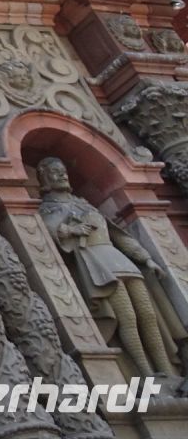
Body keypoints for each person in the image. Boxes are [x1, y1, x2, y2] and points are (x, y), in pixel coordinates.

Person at [38, 155, 186, 378]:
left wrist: (147, 259)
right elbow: (47, 230)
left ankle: (167, 369)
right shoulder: (47, 208)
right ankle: (146, 373)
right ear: (44, 179)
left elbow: (120, 237)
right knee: (128, 319)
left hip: (121, 260)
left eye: (63, 170)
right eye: (55, 172)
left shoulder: (84, 203)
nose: (62, 174)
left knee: (148, 316)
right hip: (97, 265)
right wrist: (70, 231)